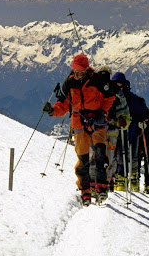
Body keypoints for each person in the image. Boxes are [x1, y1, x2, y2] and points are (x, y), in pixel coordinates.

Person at [42, 54, 116, 206]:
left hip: (97, 122)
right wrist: (51, 111)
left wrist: (103, 113)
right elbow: (62, 105)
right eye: (75, 70)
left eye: (81, 71)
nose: (77, 73)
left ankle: (101, 186)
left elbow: (110, 98)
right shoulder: (69, 83)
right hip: (79, 123)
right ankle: (85, 190)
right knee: (83, 160)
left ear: (87, 68)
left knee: (101, 154)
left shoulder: (97, 80)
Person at [110, 72, 149, 193]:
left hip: (129, 131)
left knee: (126, 155)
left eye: (120, 85)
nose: (118, 88)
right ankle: (120, 178)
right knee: (117, 155)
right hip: (119, 131)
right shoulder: (129, 98)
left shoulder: (132, 99)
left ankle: (123, 179)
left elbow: (143, 113)